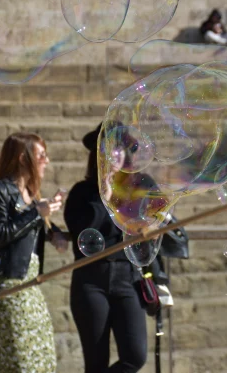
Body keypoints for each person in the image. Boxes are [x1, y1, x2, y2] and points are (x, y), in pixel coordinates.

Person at [64, 124, 148, 373]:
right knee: (96, 362)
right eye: (107, 151)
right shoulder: (82, 193)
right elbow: (82, 234)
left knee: (135, 356)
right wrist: (105, 197)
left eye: (119, 150)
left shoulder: (136, 191)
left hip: (127, 278)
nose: (114, 156)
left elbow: (151, 225)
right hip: (91, 280)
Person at [0, 133, 68, 373]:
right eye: (41, 155)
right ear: (22, 158)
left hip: (31, 287)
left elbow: (34, 224)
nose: (46, 161)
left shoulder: (31, 192)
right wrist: (36, 214)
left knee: (43, 359)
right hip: (9, 288)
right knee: (19, 362)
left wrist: (55, 233)